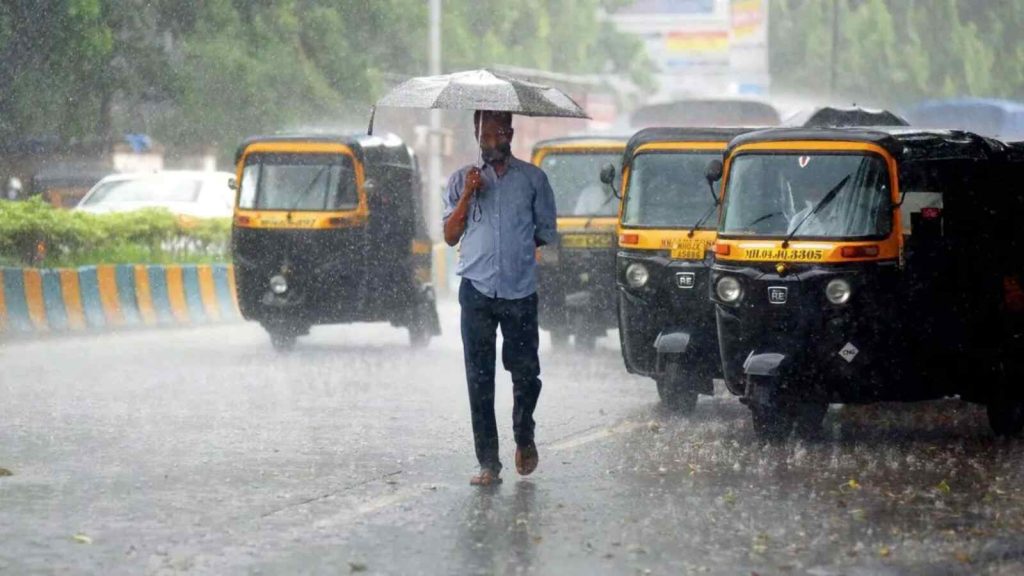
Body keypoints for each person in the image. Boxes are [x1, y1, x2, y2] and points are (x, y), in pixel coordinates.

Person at [443, 110, 557, 487]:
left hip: (519, 291)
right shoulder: (462, 179)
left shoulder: (533, 180)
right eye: (483, 134)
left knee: (525, 373)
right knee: (479, 378)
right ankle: (488, 463)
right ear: (475, 134)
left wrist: (515, 255)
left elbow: (543, 233)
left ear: (509, 133)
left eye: (496, 134)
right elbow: (449, 234)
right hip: (475, 290)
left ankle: (524, 436)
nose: (489, 142)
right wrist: (468, 194)